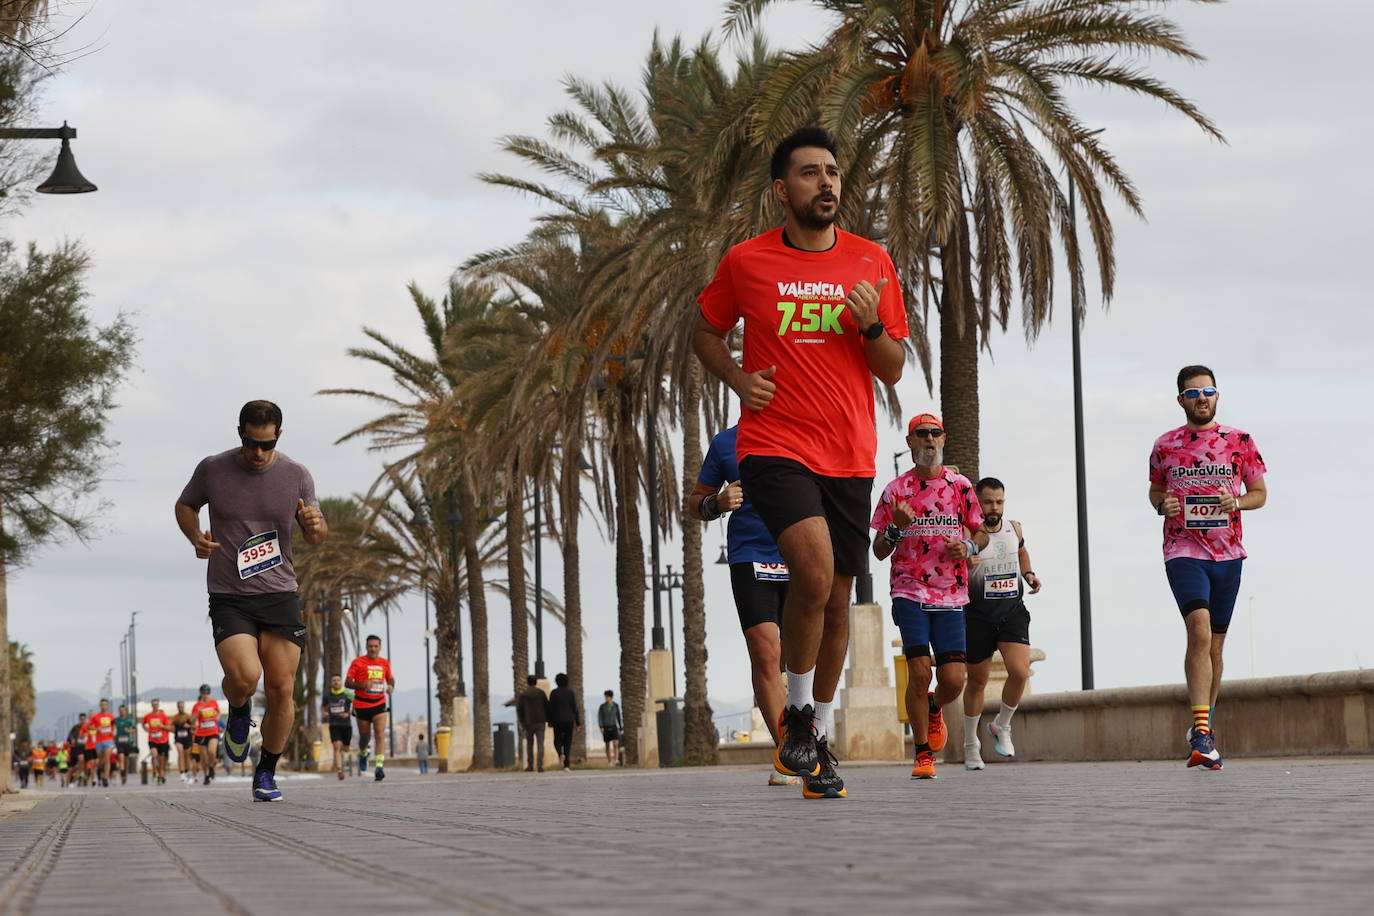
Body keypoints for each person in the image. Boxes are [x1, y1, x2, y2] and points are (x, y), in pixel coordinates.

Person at [694, 125, 908, 800]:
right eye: (812, 173)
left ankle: (807, 737)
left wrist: (872, 326)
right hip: (774, 445)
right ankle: (796, 718)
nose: (827, 183)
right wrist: (735, 376)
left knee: (838, 598)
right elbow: (704, 329)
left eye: (834, 172)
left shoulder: (872, 261)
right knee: (812, 571)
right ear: (783, 190)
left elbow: (894, 368)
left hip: (849, 450)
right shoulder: (747, 262)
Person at [176, 399, 328, 801]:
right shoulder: (213, 468)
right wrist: (195, 536)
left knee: (281, 689)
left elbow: (316, 532)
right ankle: (239, 709)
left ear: (278, 435)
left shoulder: (296, 475)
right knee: (245, 678)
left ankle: (266, 772)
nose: (258, 454)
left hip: (279, 593)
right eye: (251, 444)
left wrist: (315, 525)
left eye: (266, 444)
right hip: (230, 595)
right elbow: (185, 504)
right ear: (240, 433)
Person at [1148, 365, 1266, 771]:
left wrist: (1239, 503)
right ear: (1181, 399)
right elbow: (1156, 489)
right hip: (1183, 549)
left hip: (1229, 555)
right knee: (1197, 631)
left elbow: (1260, 493)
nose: (1202, 398)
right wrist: (1160, 504)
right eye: (1193, 393)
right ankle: (1201, 732)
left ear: (1217, 396)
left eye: (1209, 391)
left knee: (1215, 646)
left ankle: (1204, 725)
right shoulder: (1165, 445)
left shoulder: (1240, 440)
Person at [871, 414, 986, 780]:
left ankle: (935, 706)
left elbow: (981, 532)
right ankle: (922, 754)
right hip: (909, 591)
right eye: (922, 434)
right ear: (910, 442)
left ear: (944, 438)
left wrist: (967, 545)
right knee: (919, 672)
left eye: (936, 433)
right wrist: (896, 527)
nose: (930, 440)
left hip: (952, 594)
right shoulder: (894, 491)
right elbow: (877, 550)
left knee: (953, 680)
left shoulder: (960, 486)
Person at [691, 424, 797, 786]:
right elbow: (696, 503)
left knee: (794, 656)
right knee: (765, 652)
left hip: (801, 552)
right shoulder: (725, 442)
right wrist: (716, 503)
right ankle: (791, 752)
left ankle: (799, 734)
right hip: (751, 554)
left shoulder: (804, 430)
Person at [961, 478, 1043, 770]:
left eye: (999, 502)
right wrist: (964, 564)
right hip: (978, 616)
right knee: (977, 683)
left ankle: (1001, 725)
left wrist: (1029, 574)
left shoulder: (1014, 528)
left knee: (1020, 673)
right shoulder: (967, 533)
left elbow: (1020, 551)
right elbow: (951, 565)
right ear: (977, 502)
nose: (994, 508)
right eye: (988, 502)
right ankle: (971, 744)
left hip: (1012, 611)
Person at [346, 635, 394, 782]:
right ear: (366, 647)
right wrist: (362, 685)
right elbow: (347, 682)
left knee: (379, 734)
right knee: (365, 738)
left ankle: (379, 767)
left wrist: (391, 685)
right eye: (370, 646)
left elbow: (390, 678)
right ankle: (364, 753)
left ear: (380, 647)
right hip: (361, 704)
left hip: (379, 703)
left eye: (376, 646)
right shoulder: (358, 662)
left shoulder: (384, 663)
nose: (373, 649)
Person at [321, 674, 353, 780]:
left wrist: (348, 714)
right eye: (334, 680)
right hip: (334, 724)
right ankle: (339, 770)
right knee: (336, 747)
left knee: (346, 749)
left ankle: (344, 758)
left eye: (338, 680)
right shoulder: (327, 695)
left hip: (346, 725)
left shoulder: (347, 694)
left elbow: (357, 704)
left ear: (341, 682)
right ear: (331, 683)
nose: (336, 682)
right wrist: (324, 713)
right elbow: (323, 707)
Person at [547, 673, 581, 772]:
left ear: (556, 682)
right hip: (569, 720)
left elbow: (550, 709)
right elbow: (575, 709)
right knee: (567, 742)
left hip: (557, 720)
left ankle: (560, 753)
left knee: (557, 740)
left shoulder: (554, 693)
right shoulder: (570, 693)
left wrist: (549, 721)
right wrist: (578, 723)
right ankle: (567, 765)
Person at [516, 675, 549, 772]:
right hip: (540, 721)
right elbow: (546, 706)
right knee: (540, 744)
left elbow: (520, 709)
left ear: (527, 682)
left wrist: (522, 721)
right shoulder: (541, 693)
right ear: (536, 682)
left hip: (528, 722)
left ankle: (530, 765)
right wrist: (547, 719)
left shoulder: (524, 695)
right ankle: (540, 765)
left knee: (529, 744)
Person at [190, 686, 221, 784]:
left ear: (209, 693)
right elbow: (191, 720)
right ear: (201, 694)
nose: (205, 695)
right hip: (201, 733)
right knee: (203, 756)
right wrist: (197, 712)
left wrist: (217, 717)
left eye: (207, 693)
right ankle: (206, 775)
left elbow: (219, 712)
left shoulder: (213, 703)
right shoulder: (197, 705)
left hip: (213, 732)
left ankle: (211, 766)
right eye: (203, 693)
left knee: (212, 752)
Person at [88, 699, 117, 787]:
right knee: (101, 761)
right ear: (100, 706)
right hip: (99, 741)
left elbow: (114, 726)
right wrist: (97, 729)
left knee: (107, 758)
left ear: (107, 706)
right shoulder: (96, 717)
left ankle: (105, 777)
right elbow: (89, 727)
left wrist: (114, 732)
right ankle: (99, 771)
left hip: (108, 740)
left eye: (105, 704)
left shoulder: (111, 716)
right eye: (102, 705)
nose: (103, 706)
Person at [143, 699, 172, 785]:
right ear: (151, 705)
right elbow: (143, 723)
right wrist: (146, 729)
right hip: (152, 740)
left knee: (162, 761)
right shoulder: (148, 716)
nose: (155, 706)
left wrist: (161, 725)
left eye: (156, 704)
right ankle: (155, 771)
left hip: (163, 741)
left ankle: (161, 775)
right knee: (154, 756)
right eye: (153, 704)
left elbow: (169, 727)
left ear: (158, 705)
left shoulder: (163, 716)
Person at [114, 704, 138, 785]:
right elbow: (113, 729)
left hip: (127, 743)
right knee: (121, 759)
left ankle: (125, 774)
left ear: (126, 711)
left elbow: (135, 729)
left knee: (126, 760)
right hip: (119, 743)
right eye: (120, 710)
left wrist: (129, 731)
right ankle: (122, 776)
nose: (122, 712)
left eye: (123, 710)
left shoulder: (129, 720)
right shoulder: (116, 720)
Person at [171, 701, 194, 782]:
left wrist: (189, 726)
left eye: (182, 706)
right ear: (177, 707)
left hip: (187, 738)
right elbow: (172, 728)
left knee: (187, 756)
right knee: (180, 754)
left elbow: (194, 726)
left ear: (184, 706)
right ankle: (182, 773)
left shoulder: (188, 716)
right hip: (178, 739)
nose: (181, 707)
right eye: (179, 706)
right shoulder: (175, 717)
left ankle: (188, 772)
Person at [597, 690, 623, 766]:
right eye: (605, 697)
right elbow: (600, 717)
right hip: (606, 727)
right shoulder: (602, 706)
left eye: (607, 697)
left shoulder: (615, 706)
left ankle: (616, 759)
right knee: (607, 745)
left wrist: (621, 728)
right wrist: (601, 726)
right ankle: (609, 761)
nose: (605, 698)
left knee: (616, 743)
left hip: (614, 726)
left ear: (611, 697)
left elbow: (618, 717)